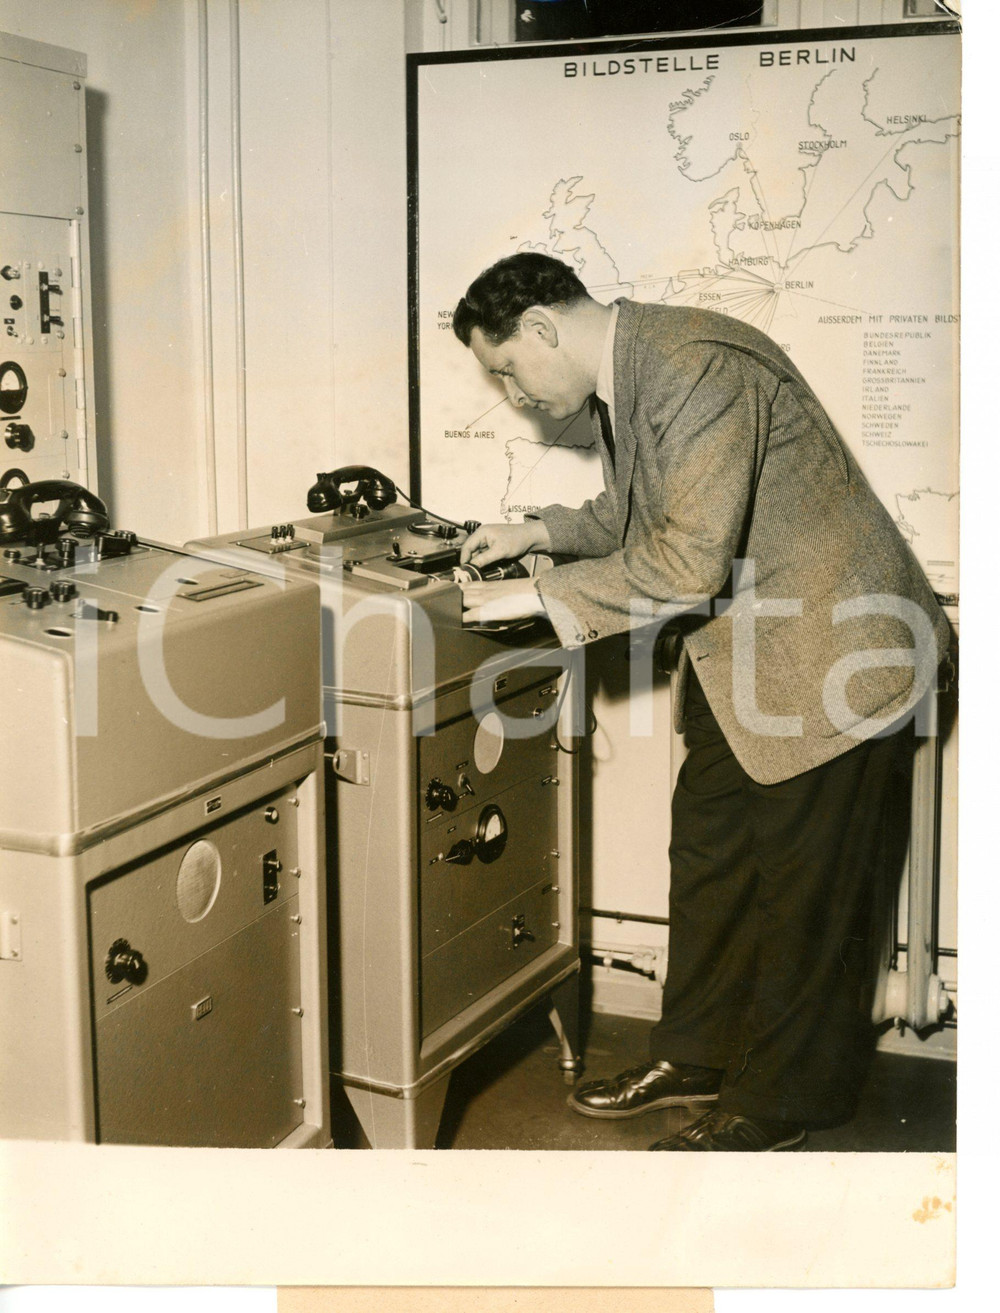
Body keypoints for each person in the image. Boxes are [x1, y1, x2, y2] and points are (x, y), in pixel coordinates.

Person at [452, 252, 950, 1152]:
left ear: (541, 329)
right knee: (711, 851)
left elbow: (686, 562)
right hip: (757, 657)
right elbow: (647, 512)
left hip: (839, 651)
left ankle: (784, 1102)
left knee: (808, 892)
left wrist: (538, 597)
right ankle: (696, 1054)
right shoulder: (637, 371)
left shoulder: (690, 366)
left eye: (507, 370)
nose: (511, 393)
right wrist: (539, 532)